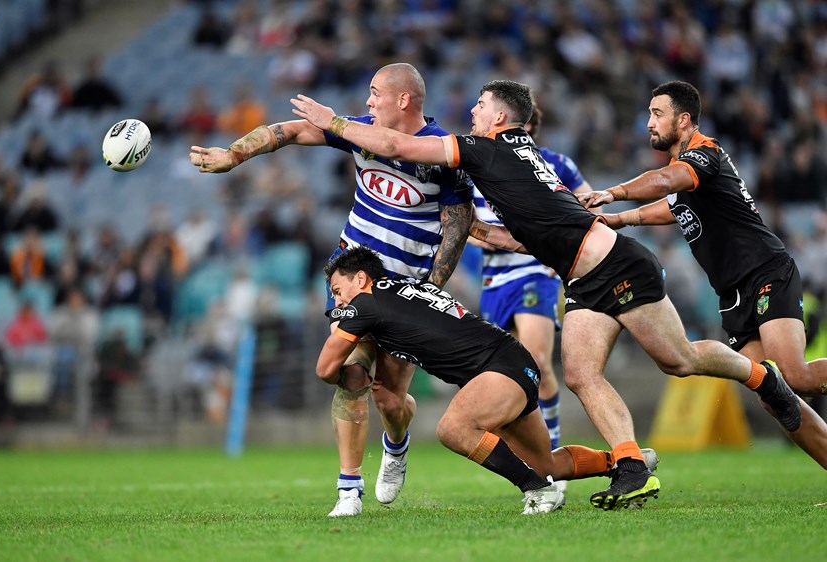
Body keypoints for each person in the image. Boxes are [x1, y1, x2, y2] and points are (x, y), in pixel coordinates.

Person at [291, 78, 808, 510]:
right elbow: (517, 233)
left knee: (680, 360)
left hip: (614, 263)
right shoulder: (519, 154)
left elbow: (399, 146)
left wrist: (332, 120)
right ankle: (630, 465)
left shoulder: (484, 148)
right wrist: (468, 228)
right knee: (581, 375)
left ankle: (763, 378)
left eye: (479, 105)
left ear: (499, 118)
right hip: (582, 275)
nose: (470, 112)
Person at [190, 63, 473, 517]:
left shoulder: (440, 154)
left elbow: (458, 224)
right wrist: (234, 155)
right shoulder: (360, 131)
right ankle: (348, 491)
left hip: (406, 288)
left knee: (391, 398)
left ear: (404, 99)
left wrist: (433, 288)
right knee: (352, 376)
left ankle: (396, 445)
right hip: (352, 285)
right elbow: (294, 131)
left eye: (376, 93)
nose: (367, 102)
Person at [577, 80, 827, 469]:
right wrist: (619, 219)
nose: (648, 123)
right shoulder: (684, 173)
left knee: (794, 375)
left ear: (684, 119)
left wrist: (614, 192)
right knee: (774, 393)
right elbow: (669, 206)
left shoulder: (703, 153)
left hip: (765, 271)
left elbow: (665, 183)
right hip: (733, 293)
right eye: (648, 114)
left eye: (657, 114)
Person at [318, 246, 657, 514]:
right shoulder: (407, 289)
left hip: (498, 367)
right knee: (547, 463)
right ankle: (627, 461)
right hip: (510, 362)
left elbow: (323, 368)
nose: (337, 300)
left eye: (337, 289)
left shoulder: (365, 303)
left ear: (361, 278)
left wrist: (343, 364)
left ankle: (538, 491)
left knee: (453, 428)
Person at [470, 102, 596, 463]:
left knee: (539, 361)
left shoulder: (556, 165)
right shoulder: (479, 163)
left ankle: (551, 452)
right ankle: (532, 448)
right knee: (511, 371)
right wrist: (485, 234)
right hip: (495, 279)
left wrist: (563, 242)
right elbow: (463, 222)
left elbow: (589, 206)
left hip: (536, 272)